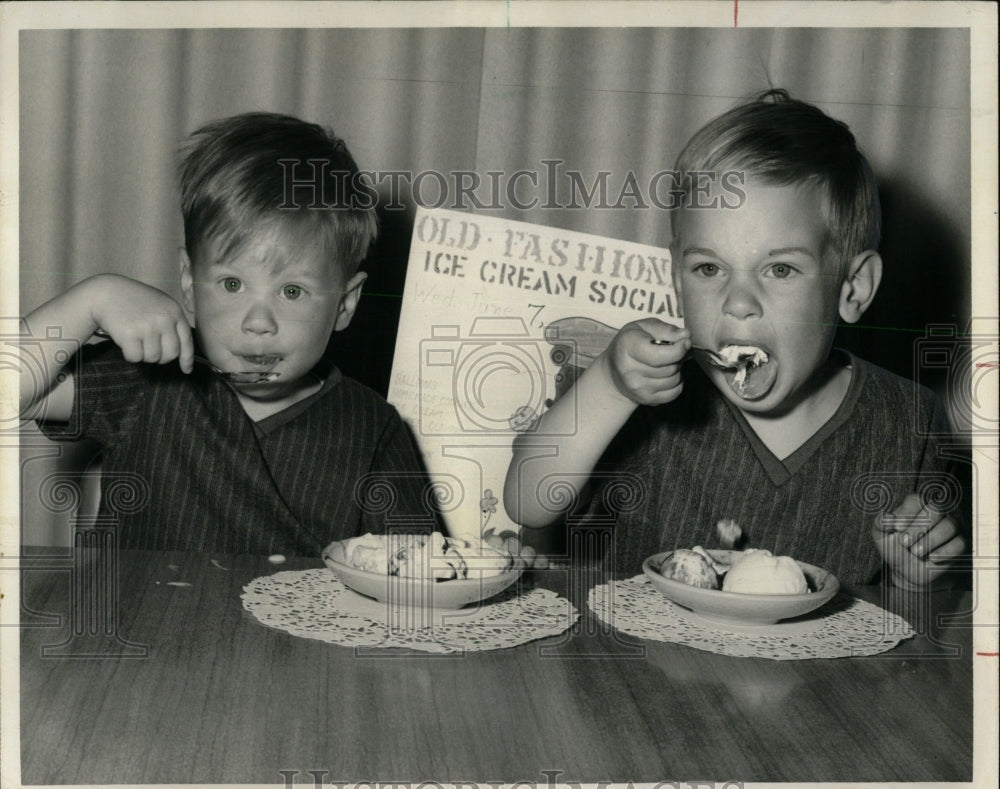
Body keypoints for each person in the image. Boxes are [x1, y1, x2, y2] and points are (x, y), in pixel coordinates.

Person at [504, 90, 967, 590]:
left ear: (852, 289)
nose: (738, 301)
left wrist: (912, 577)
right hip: (632, 664)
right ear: (678, 280)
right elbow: (527, 500)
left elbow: (904, 638)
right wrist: (609, 387)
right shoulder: (638, 392)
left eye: (781, 269)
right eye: (709, 268)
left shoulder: (907, 422)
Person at [20, 112, 441, 555]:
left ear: (344, 304)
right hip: (138, 623)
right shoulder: (147, 381)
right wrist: (92, 299)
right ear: (188, 284)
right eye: (232, 284)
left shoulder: (373, 428)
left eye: (292, 291)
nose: (258, 322)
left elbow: (416, 579)